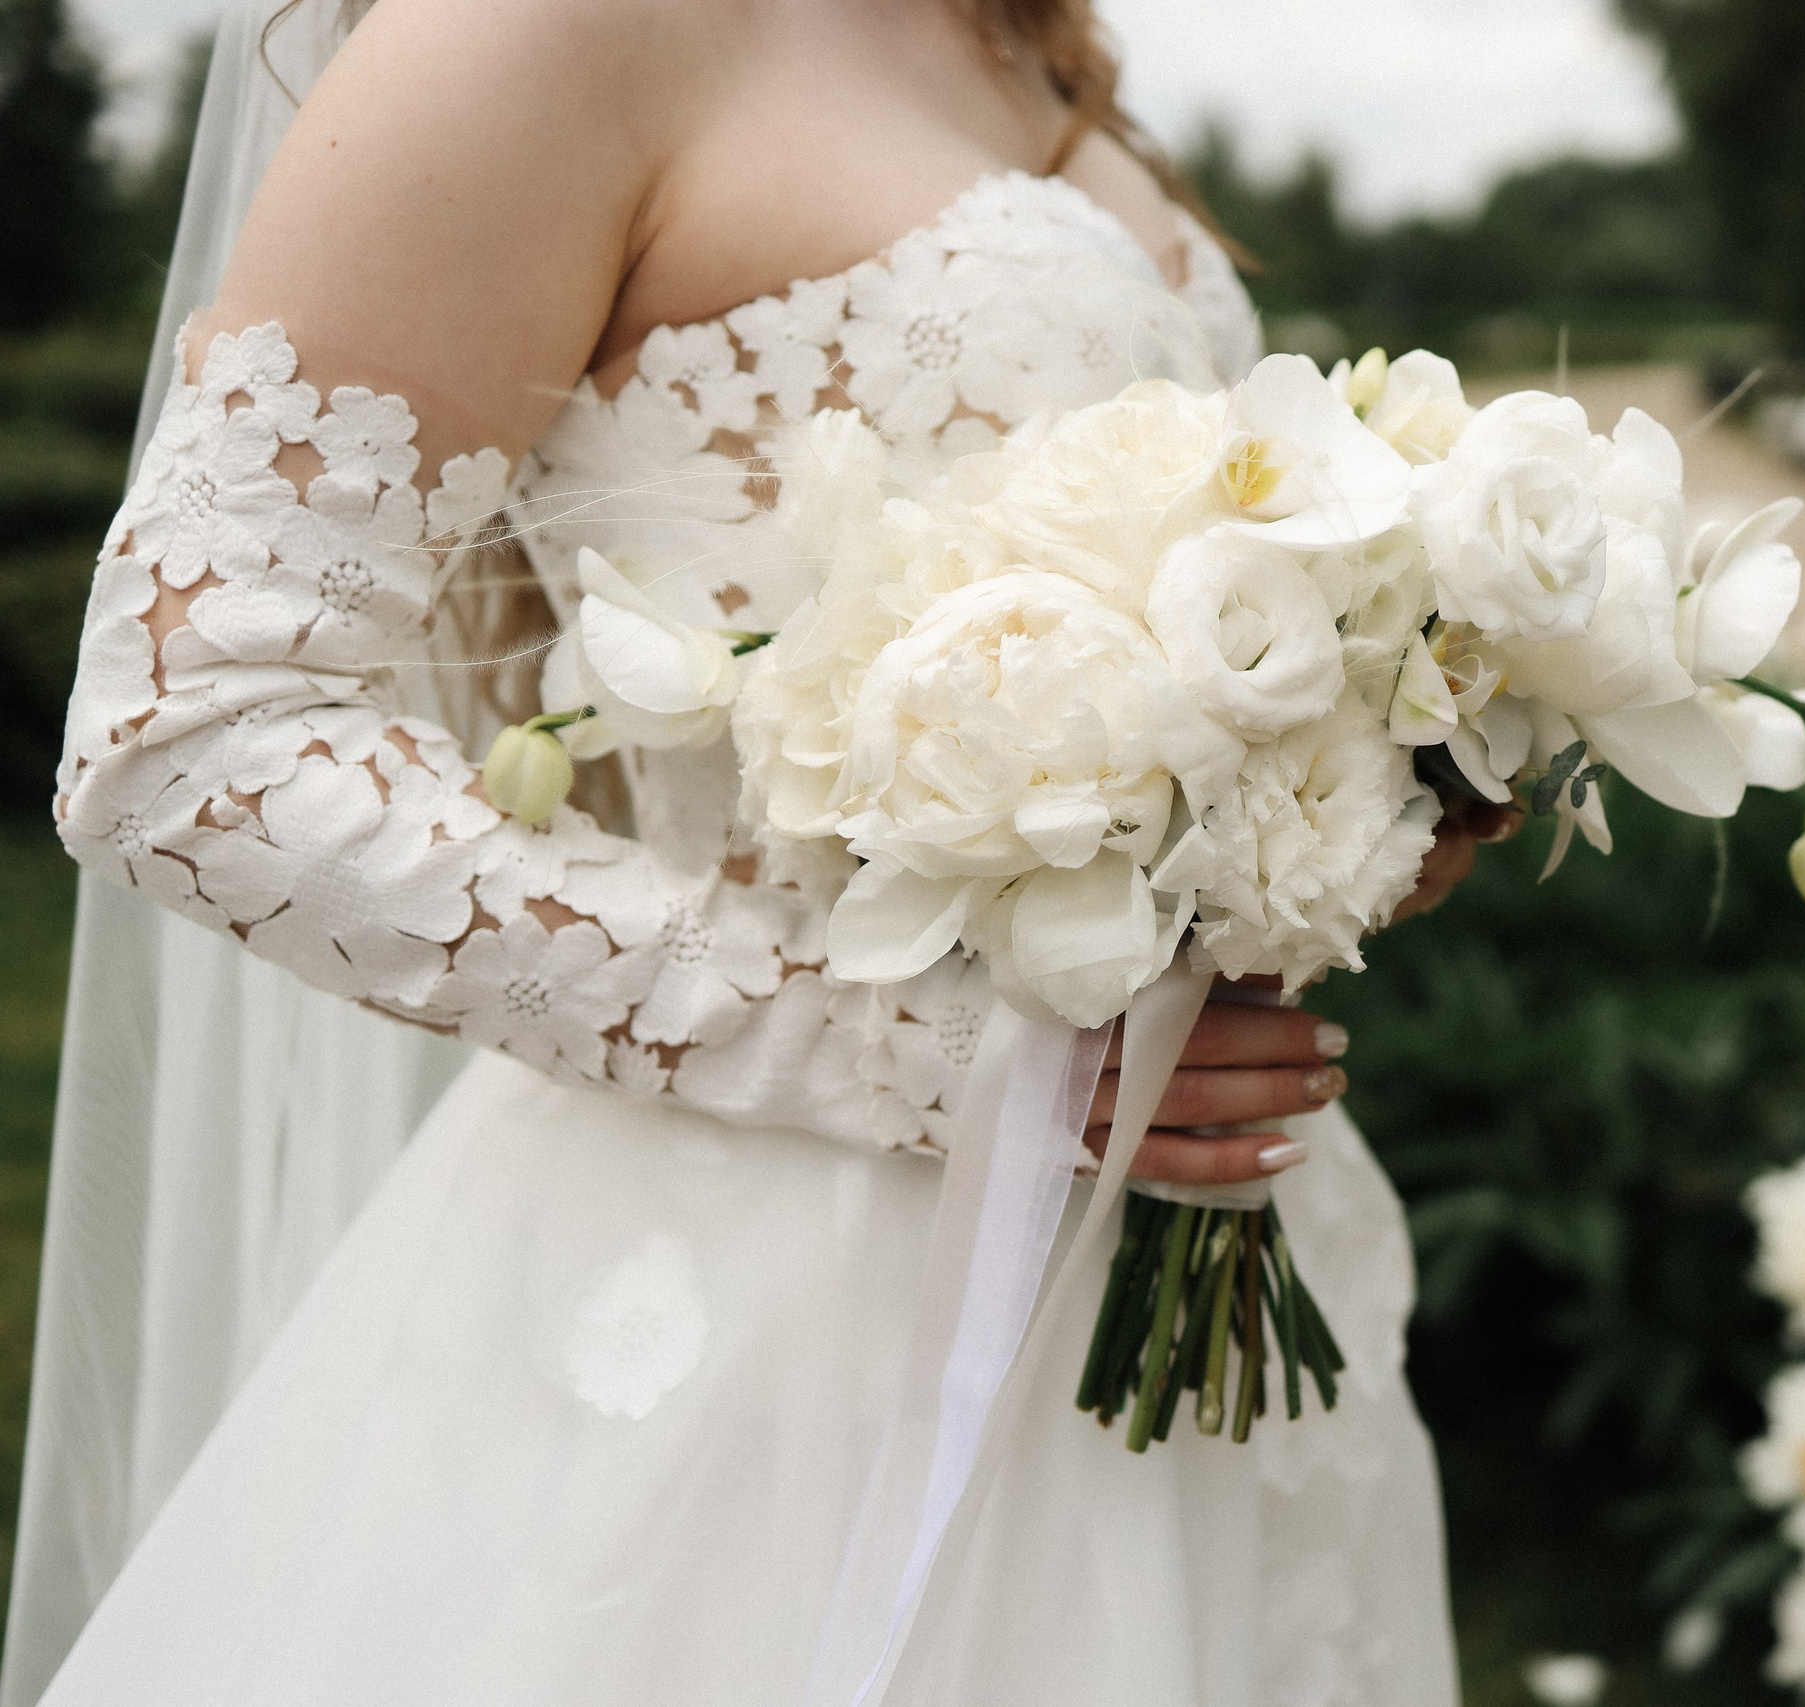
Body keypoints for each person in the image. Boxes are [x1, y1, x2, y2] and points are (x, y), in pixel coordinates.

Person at [20, 0, 1492, 1698]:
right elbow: (191, 732)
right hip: (783, 1308)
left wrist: (1369, 789)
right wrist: (917, 1046)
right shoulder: (534, 31)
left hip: (1206, 1260)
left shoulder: (1020, 40)